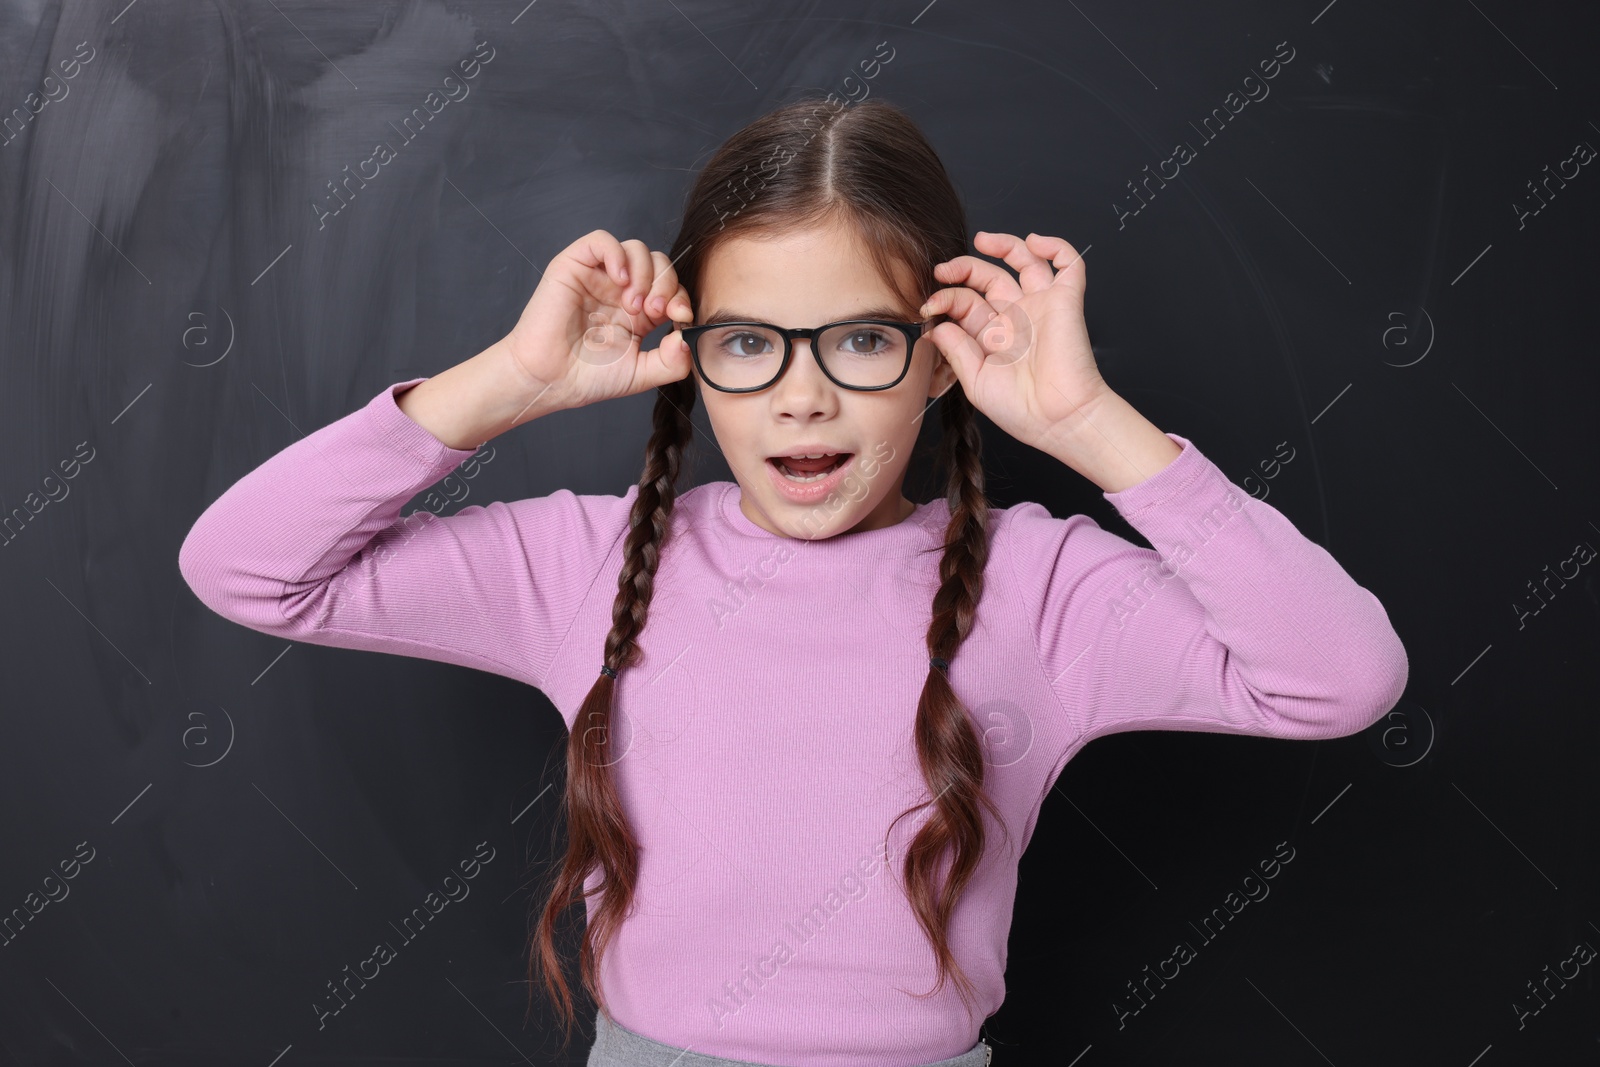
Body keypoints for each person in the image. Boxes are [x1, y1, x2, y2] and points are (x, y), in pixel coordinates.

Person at [178, 97, 1408, 1067]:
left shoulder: (1041, 586)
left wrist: (1090, 425)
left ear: (941, 359)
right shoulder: (595, 565)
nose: (801, 394)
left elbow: (1340, 679)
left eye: (864, 339)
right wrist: (511, 378)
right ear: (692, 358)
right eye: (748, 344)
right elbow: (247, 567)